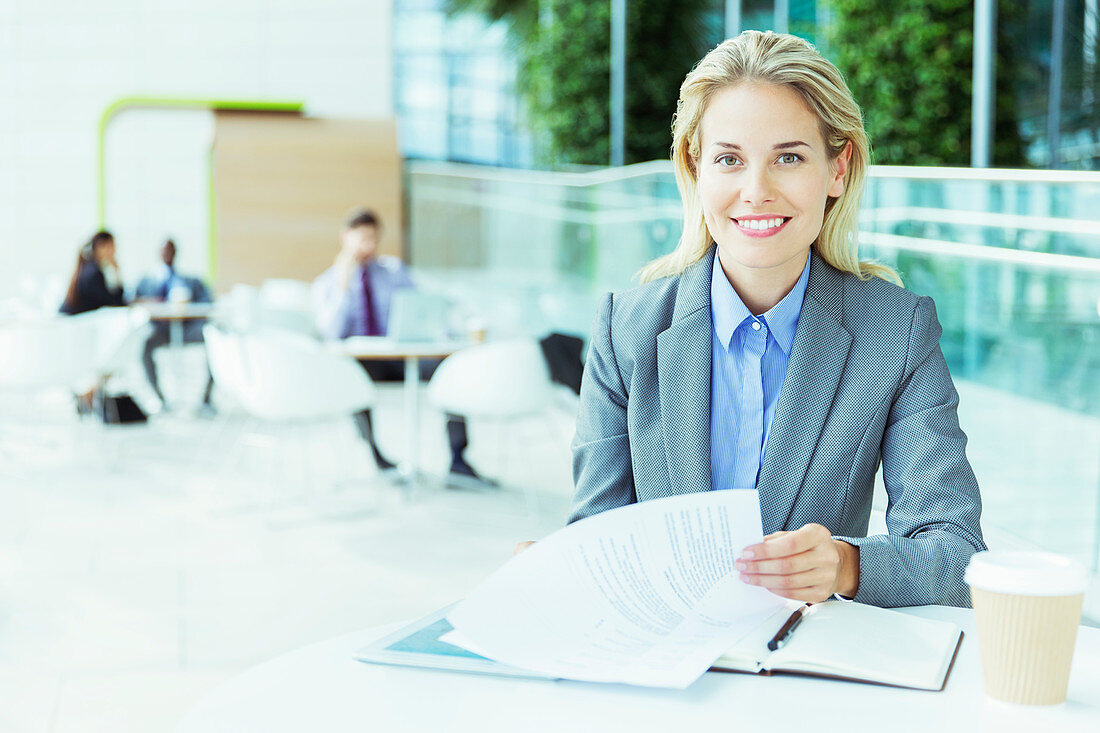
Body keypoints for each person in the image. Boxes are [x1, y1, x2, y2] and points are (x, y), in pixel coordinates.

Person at [560, 31, 985, 608]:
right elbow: (597, 534)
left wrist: (845, 564)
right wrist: (558, 570)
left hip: (808, 669)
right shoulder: (627, 330)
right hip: (665, 671)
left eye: (788, 158)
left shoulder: (895, 332)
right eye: (729, 160)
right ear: (696, 169)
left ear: (837, 170)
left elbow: (957, 556)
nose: (755, 192)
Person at [313, 209, 489, 485]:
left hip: (399, 355)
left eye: (373, 239)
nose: (369, 246)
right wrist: (343, 287)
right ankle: (378, 458)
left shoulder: (393, 272)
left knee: (451, 370)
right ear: (345, 237)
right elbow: (331, 335)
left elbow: (423, 309)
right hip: (362, 363)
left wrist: (441, 333)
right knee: (352, 380)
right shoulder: (327, 284)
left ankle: (458, 459)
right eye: (362, 239)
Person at [133, 239, 215, 410]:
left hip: (188, 329)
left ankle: (206, 398)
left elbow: (207, 303)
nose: (167, 254)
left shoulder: (191, 281)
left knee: (214, 341)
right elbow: (131, 301)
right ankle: (159, 398)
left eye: (170, 250)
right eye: (164, 250)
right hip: (162, 331)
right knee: (145, 346)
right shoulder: (146, 281)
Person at [59, 230, 126, 314]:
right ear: (100, 247)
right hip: (74, 319)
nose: (114, 251)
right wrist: (117, 273)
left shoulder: (89, 267)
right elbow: (113, 302)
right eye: (112, 246)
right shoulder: (94, 273)